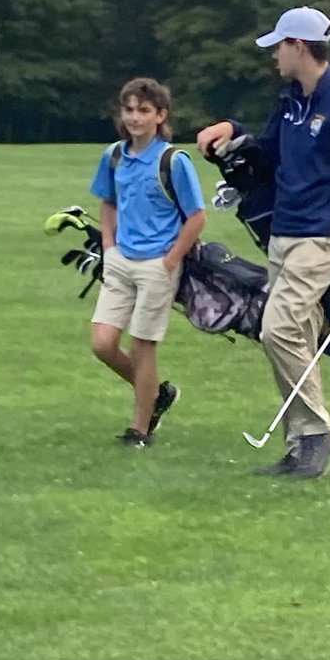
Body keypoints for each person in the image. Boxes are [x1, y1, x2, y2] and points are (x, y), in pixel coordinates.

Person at [196, 6, 330, 479]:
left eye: (279, 46)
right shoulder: (290, 101)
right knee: (297, 336)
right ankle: (299, 449)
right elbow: (270, 153)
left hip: (325, 238)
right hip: (283, 233)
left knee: (278, 328)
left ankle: (317, 436)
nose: (274, 55)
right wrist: (233, 130)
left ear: (300, 48)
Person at [90, 77, 206, 448]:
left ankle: (140, 431)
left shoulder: (173, 160)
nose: (135, 117)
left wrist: (171, 260)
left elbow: (197, 217)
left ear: (161, 115)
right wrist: (109, 245)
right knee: (103, 344)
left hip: (158, 264)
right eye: (129, 110)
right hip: (121, 260)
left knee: (143, 347)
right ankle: (156, 394)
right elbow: (107, 202)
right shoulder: (114, 155)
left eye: (143, 110)